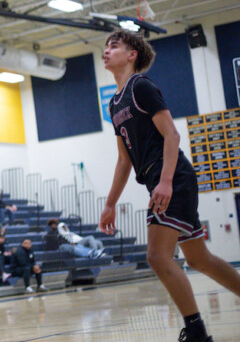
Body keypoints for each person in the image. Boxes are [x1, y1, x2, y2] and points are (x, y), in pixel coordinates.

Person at [100, 29, 240, 342]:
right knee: (198, 259)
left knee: (157, 256)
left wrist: (165, 182)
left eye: (114, 45)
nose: (106, 51)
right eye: (105, 47)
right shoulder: (114, 105)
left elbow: (172, 136)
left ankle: (196, 333)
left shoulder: (142, 87)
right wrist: (110, 203)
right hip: (160, 180)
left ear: (132, 54)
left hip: (172, 177)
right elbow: (124, 161)